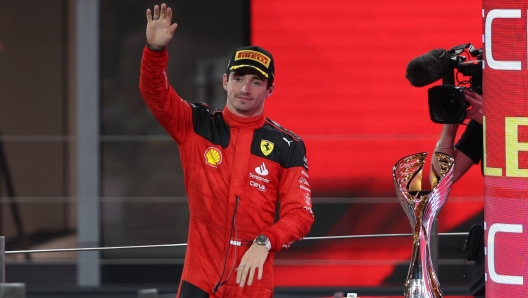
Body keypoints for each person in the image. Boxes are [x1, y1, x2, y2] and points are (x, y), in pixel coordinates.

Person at [139, 3, 314, 298]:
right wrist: (155, 52)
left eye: (256, 81)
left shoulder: (288, 146)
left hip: (251, 282)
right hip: (199, 277)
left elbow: (301, 214)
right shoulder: (196, 123)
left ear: (269, 89)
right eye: (238, 79)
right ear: (225, 81)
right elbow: (156, 94)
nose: (245, 88)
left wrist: (265, 241)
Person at [431, 89, 484, 297]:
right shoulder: (483, 122)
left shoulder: (493, 120)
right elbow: (441, 177)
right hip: (499, 234)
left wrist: (494, 124)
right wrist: (450, 122)